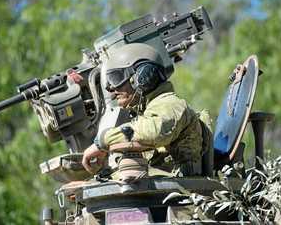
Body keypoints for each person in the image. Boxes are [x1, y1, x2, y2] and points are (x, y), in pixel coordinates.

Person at [82, 43, 203, 177]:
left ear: (143, 76)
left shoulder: (170, 104)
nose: (111, 90)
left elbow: (153, 131)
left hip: (182, 190)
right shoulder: (147, 112)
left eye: (116, 79)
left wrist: (103, 141)